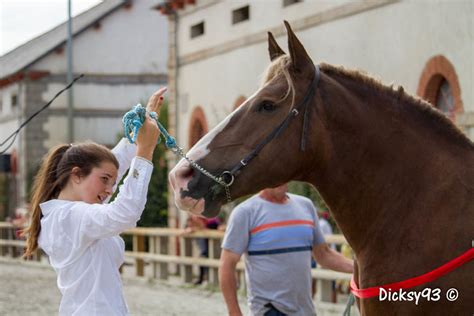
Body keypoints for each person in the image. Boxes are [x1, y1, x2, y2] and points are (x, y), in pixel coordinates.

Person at [21, 87, 166, 316]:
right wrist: (145, 151)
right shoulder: (70, 217)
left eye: (112, 183)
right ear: (76, 175)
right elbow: (126, 212)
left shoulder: (70, 212)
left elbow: (110, 166)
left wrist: (141, 128)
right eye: (105, 181)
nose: (110, 190)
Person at [219, 184, 353, 316]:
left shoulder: (305, 205)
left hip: (305, 310)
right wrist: (234, 312)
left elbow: (324, 254)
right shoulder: (244, 212)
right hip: (268, 310)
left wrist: (359, 268)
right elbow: (227, 265)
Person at [183, 215, 221, 285]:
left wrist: (195, 229)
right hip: (207, 241)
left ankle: (205, 279)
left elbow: (214, 228)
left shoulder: (210, 221)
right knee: (203, 256)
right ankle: (203, 278)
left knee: (206, 256)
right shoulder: (196, 218)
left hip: (213, 240)